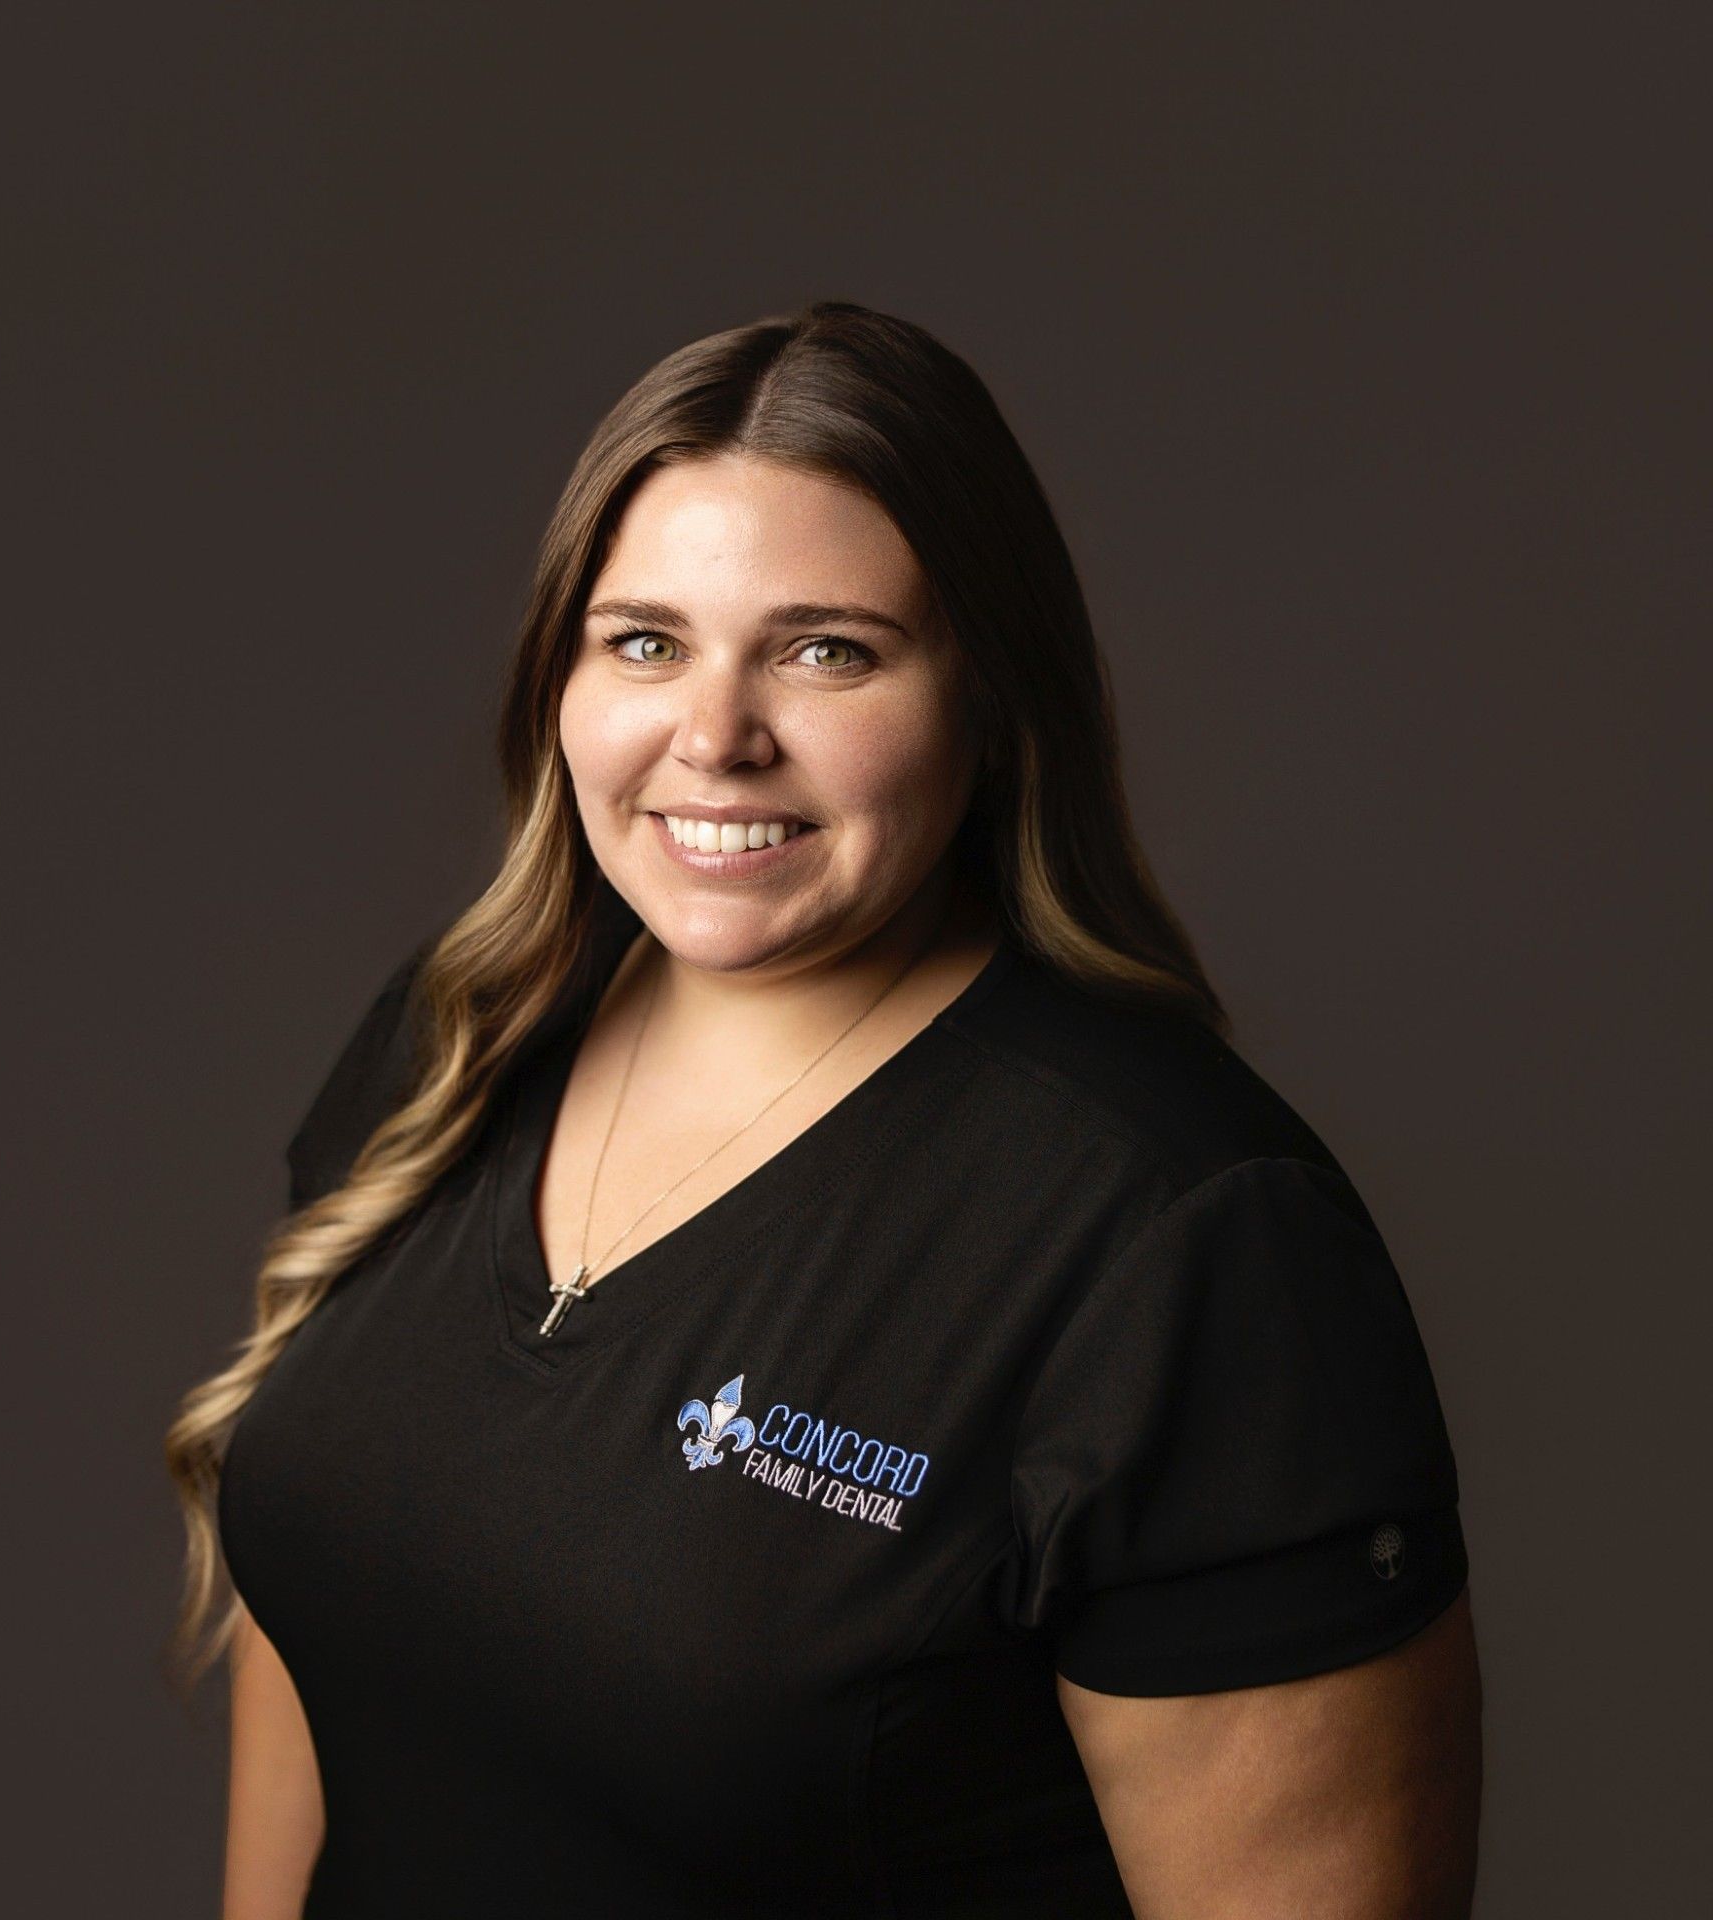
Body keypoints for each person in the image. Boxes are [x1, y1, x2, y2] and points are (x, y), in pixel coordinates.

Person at [164, 300, 1482, 1918]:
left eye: (825, 649)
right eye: (644, 640)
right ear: (560, 680)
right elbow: (324, 1630)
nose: (714, 738)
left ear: (989, 703)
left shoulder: (1188, 1242)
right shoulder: (454, 1043)